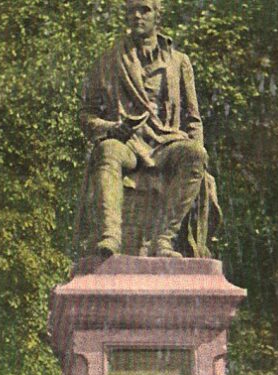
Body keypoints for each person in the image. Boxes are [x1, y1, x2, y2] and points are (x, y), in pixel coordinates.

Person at [79, 0, 211, 258]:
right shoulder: (108, 60)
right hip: (128, 144)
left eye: (145, 10)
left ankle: (164, 240)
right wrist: (111, 127)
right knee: (107, 150)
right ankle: (111, 236)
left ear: (157, 15)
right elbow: (86, 113)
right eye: (132, 11)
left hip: (166, 144)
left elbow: (193, 119)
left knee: (195, 155)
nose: (137, 16)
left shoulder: (179, 62)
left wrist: (199, 154)